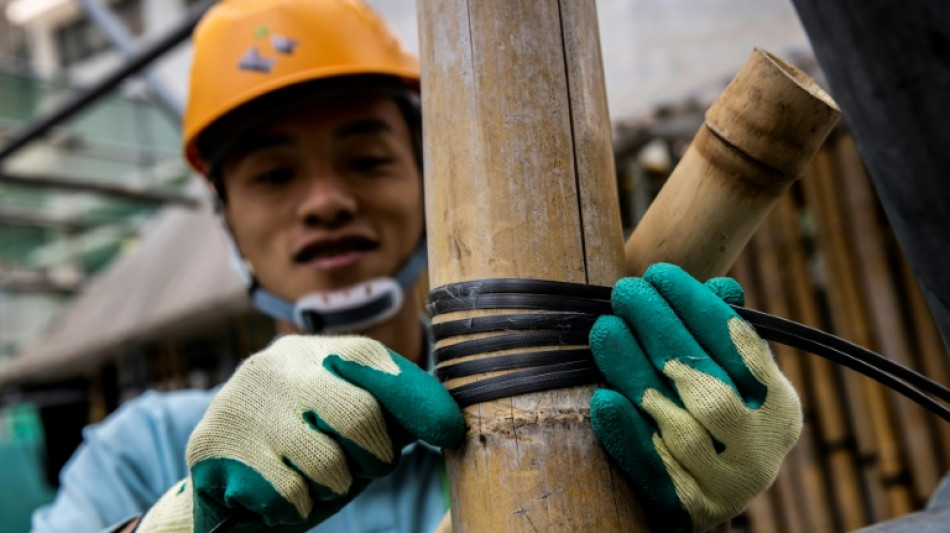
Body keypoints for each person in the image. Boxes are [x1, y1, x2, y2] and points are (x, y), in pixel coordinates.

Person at [31, 1, 803, 532]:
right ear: (227, 219)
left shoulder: (570, 395)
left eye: (366, 158)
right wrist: (180, 519)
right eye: (273, 176)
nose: (327, 201)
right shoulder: (141, 450)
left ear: (431, 181)